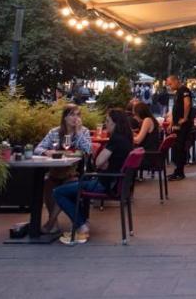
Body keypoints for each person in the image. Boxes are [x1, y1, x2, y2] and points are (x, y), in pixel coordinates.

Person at [54, 109, 134, 245]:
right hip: (116, 183)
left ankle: (81, 226)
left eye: (108, 121)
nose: (105, 124)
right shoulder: (127, 138)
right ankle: (82, 222)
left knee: (58, 192)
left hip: (105, 184)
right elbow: (104, 163)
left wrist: (101, 161)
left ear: (115, 123)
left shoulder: (116, 139)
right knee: (74, 186)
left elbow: (98, 162)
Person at [33, 104, 92, 233]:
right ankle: (53, 223)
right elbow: (38, 148)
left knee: (64, 188)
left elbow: (88, 150)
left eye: (78, 115)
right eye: (72, 115)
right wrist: (46, 152)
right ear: (65, 117)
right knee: (48, 184)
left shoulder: (84, 132)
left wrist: (78, 131)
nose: (75, 118)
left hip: (75, 172)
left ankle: (51, 222)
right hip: (55, 171)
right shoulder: (54, 132)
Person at [166, 74, 194, 180]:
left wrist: (185, 118)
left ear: (176, 81)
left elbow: (187, 104)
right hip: (177, 124)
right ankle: (177, 171)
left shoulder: (184, 90)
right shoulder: (178, 92)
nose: (169, 86)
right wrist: (171, 123)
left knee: (180, 147)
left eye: (170, 84)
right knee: (177, 147)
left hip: (183, 124)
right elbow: (175, 109)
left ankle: (180, 172)